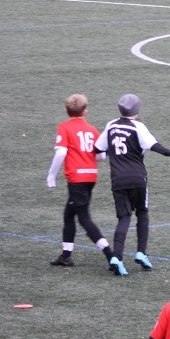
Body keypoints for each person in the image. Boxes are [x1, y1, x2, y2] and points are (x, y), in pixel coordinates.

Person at [95, 94, 170, 276]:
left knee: (124, 217)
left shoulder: (111, 125)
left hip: (118, 179)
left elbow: (98, 149)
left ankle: (117, 257)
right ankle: (141, 253)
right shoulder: (138, 127)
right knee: (142, 212)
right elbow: (155, 146)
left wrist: (111, 153)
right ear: (136, 110)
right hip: (137, 177)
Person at [46, 94, 114, 268]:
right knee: (69, 214)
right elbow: (100, 157)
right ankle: (66, 255)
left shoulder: (64, 127)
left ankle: (110, 254)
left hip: (77, 179)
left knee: (84, 218)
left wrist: (51, 175)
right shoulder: (92, 130)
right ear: (85, 111)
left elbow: (61, 152)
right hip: (90, 177)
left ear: (66, 111)